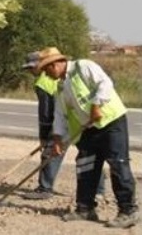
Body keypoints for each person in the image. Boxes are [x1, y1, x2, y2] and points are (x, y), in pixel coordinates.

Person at [37, 47, 139, 228]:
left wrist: (97, 104)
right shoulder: (60, 87)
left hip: (111, 122)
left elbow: (105, 83)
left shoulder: (84, 66)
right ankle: (85, 208)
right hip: (89, 130)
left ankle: (128, 210)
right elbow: (61, 116)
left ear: (56, 64)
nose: (46, 74)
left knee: (118, 164)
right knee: (86, 166)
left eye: (46, 69)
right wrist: (59, 139)